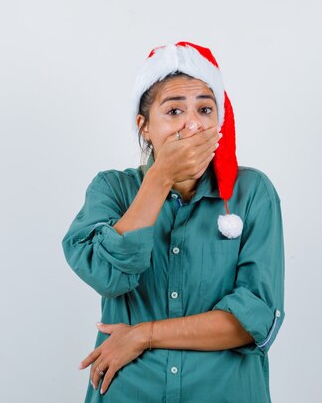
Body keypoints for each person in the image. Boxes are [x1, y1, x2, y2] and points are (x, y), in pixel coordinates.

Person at [61, 41, 286, 403]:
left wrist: (143, 334)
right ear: (145, 126)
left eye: (205, 109)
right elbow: (106, 276)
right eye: (174, 111)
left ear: (219, 123)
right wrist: (159, 179)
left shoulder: (253, 193)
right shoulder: (112, 189)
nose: (192, 123)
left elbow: (253, 320)